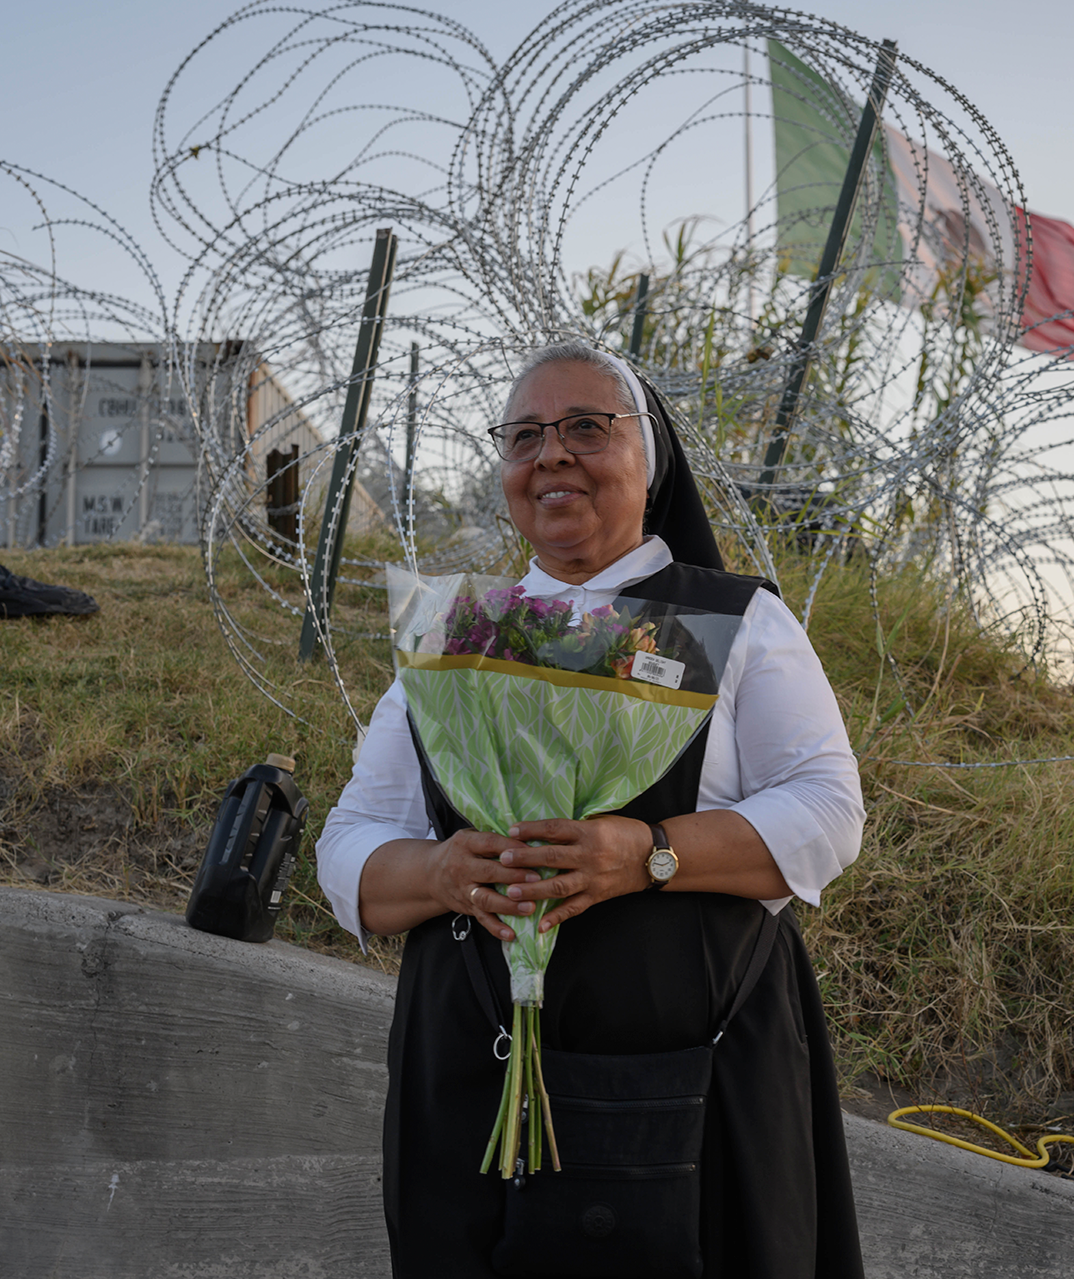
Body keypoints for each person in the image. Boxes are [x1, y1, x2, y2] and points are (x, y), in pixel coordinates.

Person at [317, 340, 867, 1278]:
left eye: (585, 427)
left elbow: (827, 810)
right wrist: (443, 872)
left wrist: (649, 853)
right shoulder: (459, 636)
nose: (553, 454)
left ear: (647, 460)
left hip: (694, 1087)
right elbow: (349, 846)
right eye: (525, 435)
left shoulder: (730, 622)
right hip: (471, 1083)